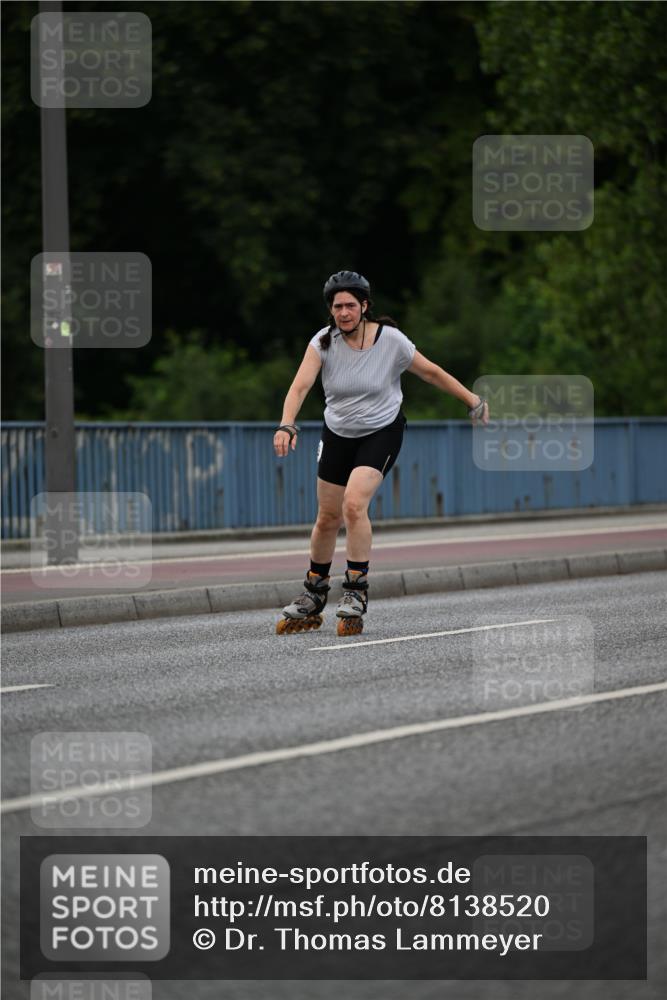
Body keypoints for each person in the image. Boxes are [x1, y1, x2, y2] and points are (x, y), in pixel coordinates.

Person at [273, 270, 489, 636]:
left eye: (350, 306)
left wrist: (472, 400)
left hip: (381, 432)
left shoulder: (391, 341)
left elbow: (431, 373)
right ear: (330, 310)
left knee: (353, 505)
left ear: (364, 306)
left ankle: (355, 591)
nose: (344, 313)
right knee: (327, 517)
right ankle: (314, 593)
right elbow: (300, 386)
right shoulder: (322, 342)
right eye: (337, 307)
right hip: (338, 434)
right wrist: (286, 424)